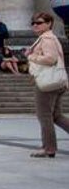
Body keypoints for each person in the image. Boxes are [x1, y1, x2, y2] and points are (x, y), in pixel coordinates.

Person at [25, 11, 69, 158]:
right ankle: (49, 147)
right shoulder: (48, 38)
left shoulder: (47, 39)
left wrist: (32, 56)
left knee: (44, 115)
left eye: (39, 23)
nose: (35, 26)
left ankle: (49, 148)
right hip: (56, 82)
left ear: (49, 23)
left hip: (47, 82)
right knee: (56, 116)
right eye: (33, 23)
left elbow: (51, 59)